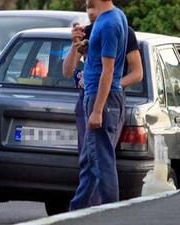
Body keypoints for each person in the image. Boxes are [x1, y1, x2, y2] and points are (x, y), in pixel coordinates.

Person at [66, 0, 129, 211]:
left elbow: (108, 71)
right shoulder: (111, 18)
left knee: (101, 162)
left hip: (102, 98)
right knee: (90, 161)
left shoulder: (110, 23)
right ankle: (77, 212)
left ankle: (110, 214)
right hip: (98, 96)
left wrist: (97, 110)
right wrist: (85, 47)